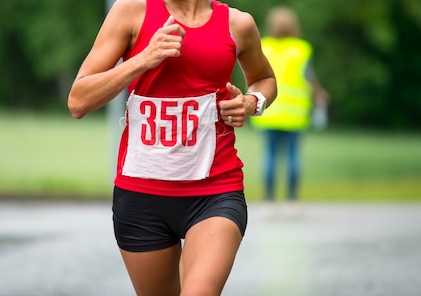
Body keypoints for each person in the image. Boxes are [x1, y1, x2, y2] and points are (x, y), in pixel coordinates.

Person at [67, 0, 276, 295]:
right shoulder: (131, 12)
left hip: (215, 191)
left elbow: (264, 79)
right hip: (141, 197)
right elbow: (78, 101)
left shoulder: (237, 23)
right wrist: (144, 58)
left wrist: (252, 102)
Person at [250, 6, 330, 206]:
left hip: (268, 112)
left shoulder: (264, 46)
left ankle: (268, 200)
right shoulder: (301, 49)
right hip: (295, 114)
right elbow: (309, 77)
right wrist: (319, 94)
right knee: (294, 158)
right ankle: (292, 201)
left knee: (269, 157)